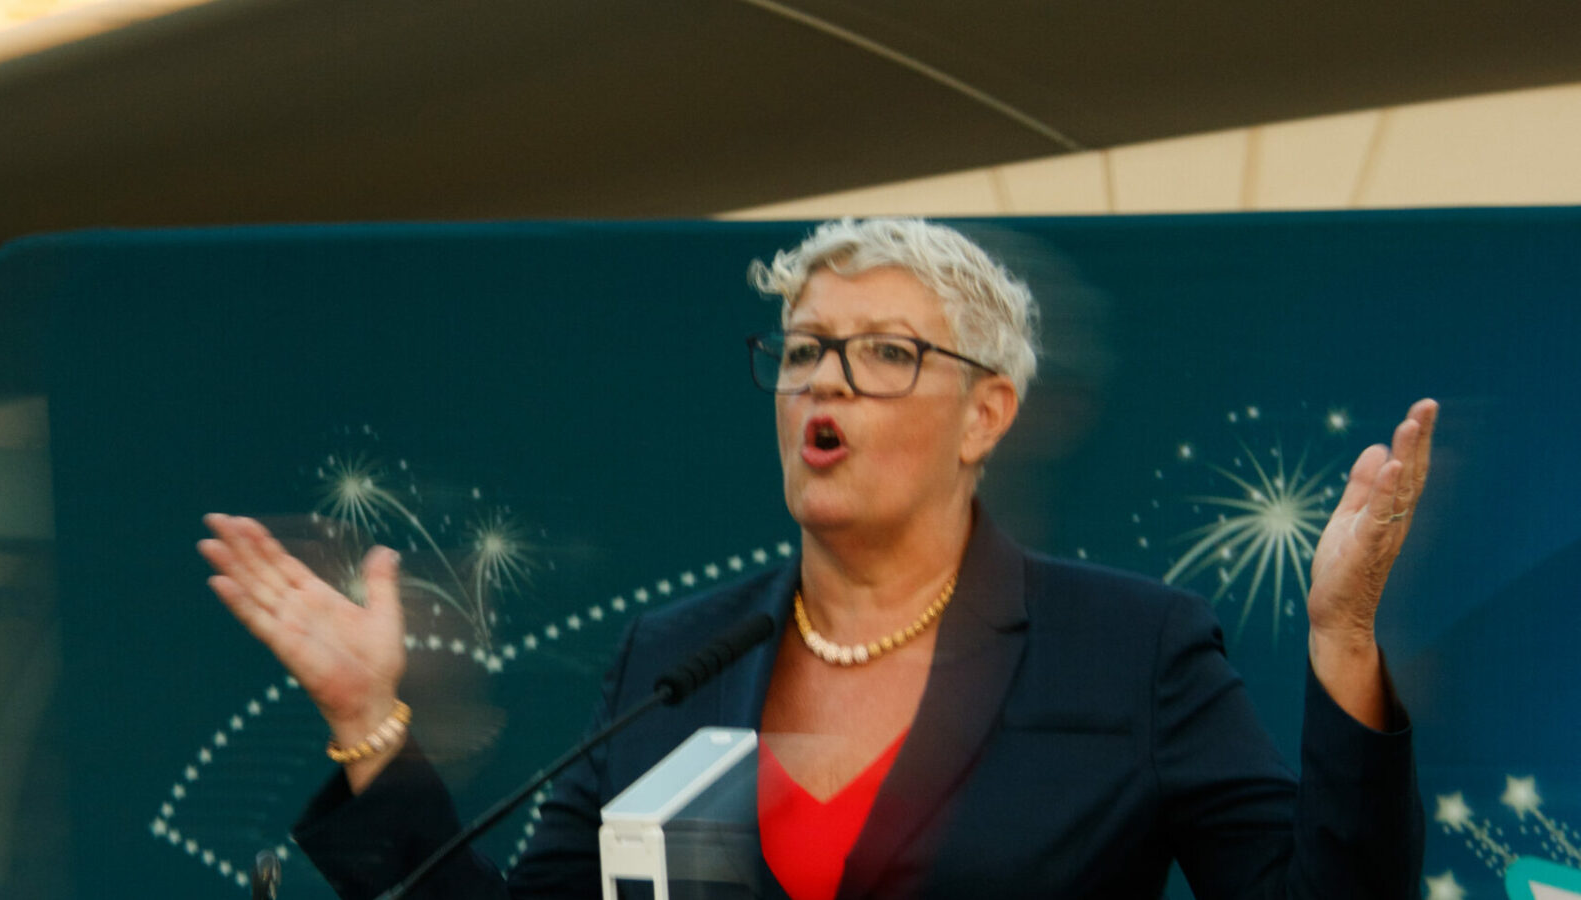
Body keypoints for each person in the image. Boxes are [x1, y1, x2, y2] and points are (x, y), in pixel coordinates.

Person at [199, 217, 1432, 899]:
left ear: (987, 415)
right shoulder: (672, 658)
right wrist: (369, 724)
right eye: (801, 350)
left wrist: (1340, 642)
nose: (824, 381)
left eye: (885, 353)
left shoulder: (1129, 649)